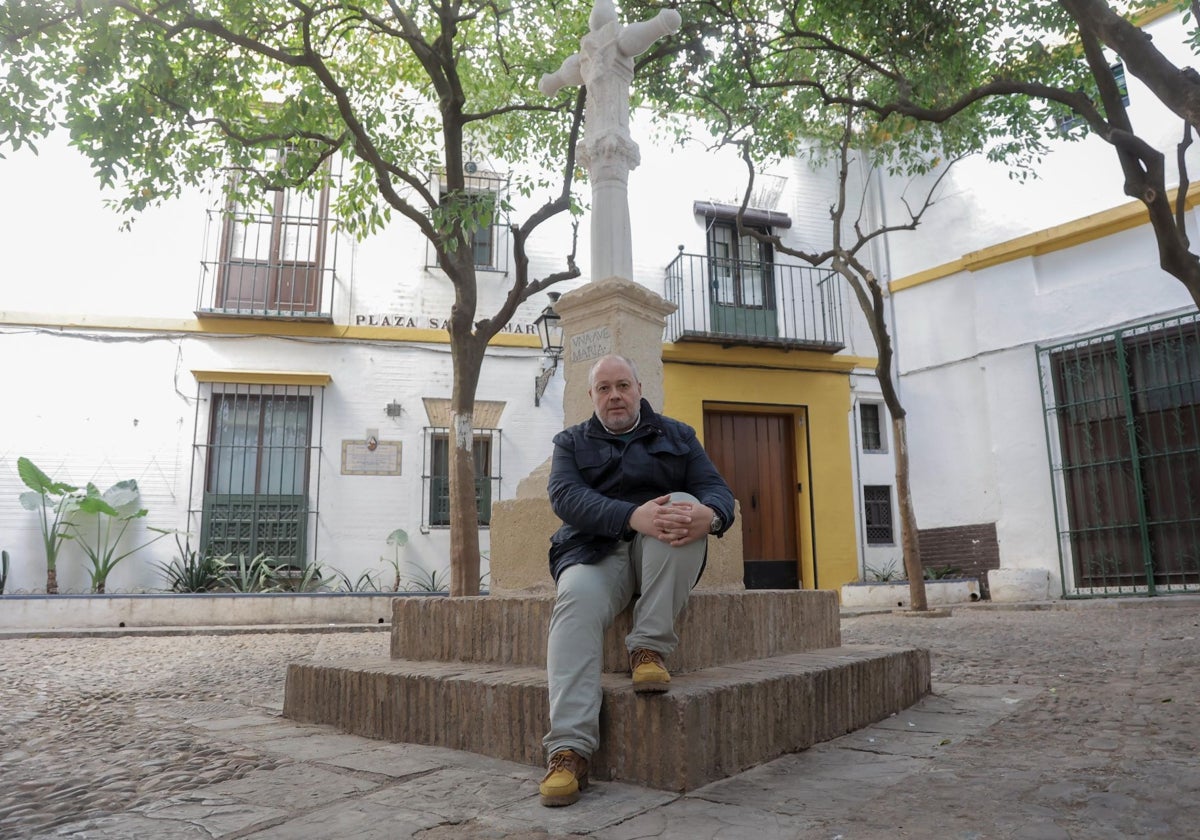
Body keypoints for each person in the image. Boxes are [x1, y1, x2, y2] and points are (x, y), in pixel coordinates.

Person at [538, 354, 735, 807]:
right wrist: (632, 515)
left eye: (622, 385)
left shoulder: (679, 435)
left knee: (684, 504)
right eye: (604, 388)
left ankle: (648, 647)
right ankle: (568, 749)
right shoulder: (570, 441)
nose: (614, 396)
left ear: (639, 388)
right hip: (594, 550)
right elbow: (565, 497)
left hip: (660, 551)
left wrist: (714, 514)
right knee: (574, 602)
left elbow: (717, 489)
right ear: (592, 397)